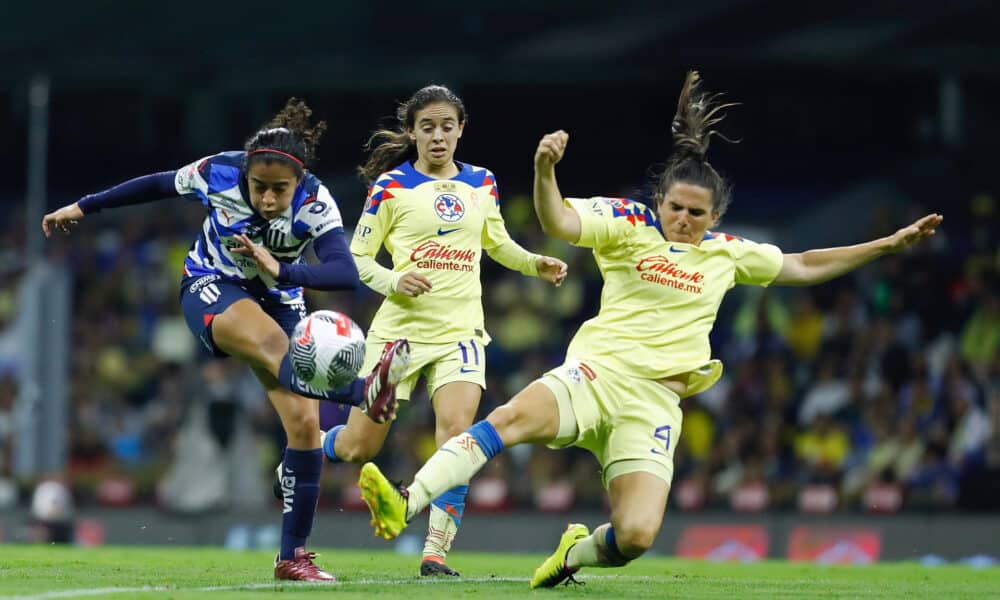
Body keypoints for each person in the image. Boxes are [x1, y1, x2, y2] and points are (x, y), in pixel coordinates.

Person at [354, 71, 943, 587]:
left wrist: (887, 244)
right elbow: (557, 218)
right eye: (675, 208)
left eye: (696, 213)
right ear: (659, 200)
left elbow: (806, 264)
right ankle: (405, 503)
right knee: (502, 421)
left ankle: (572, 555)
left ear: (715, 217)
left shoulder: (729, 253)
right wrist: (543, 171)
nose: (683, 220)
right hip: (596, 374)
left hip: (656, 401)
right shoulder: (626, 222)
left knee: (634, 535)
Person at [41, 99, 411, 582]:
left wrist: (283, 269)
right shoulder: (217, 172)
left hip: (279, 293)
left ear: (298, 183)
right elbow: (155, 184)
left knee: (302, 425)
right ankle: (365, 391)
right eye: (260, 188)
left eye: (281, 190)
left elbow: (344, 271)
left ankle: (291, 557)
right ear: (247, 173)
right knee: (273, 348)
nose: (270, 199)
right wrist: (82, 206)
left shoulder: (316, 203)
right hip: (212, 284)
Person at [312, 84, 567, 577]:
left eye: (447, 126)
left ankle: (434, 555)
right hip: (398, 334)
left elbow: (499, 244)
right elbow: (358, 259)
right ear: (412, 131)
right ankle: (305, 449)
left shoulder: (482, 182)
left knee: (457, 438)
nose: (437, 136)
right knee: (359, 447)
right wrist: (394, 279)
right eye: (427, 127)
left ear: (460, 130)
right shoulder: (390, 186)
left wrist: (535, 263)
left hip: (461, 332)